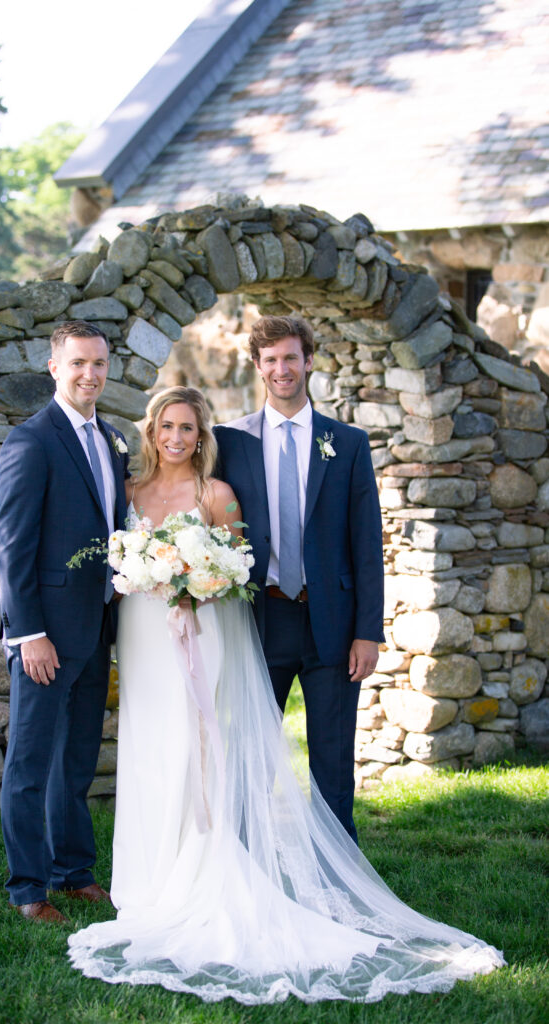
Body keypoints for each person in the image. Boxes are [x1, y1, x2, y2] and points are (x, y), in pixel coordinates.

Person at [67, 385, 503, 1003]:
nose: (176, 437)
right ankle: (144, 880)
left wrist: (195, 577)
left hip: (200, 631)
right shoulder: (130, 495)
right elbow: (115, 564)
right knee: (150, 745)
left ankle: (206, 868)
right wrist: (147, 572)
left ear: (201, 436)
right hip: (142, 637)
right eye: (167, 425)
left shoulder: (215, 494)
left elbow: (238, 563)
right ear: (151, 430)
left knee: (200, 744)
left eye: (188, 428)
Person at [214, 314, 384, 843]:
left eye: (291, 358)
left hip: (331, 620)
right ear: (258, 367)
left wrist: (368, 631)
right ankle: (244, 866)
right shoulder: (230, 441)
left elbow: (366, 543)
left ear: (309, 361)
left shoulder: (347, 443)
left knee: (332, 756)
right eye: (271, 361)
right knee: (250, 751)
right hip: (261, 617)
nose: (282, 369)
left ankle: (341, 878)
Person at [0, 320, 129, 923]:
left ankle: (74, 873)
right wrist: (28, 635)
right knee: (29, 764)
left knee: (77, 761)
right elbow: (12, 547)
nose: (90, 375)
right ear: (54, 367)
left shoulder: (113, 439)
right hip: (44, 637)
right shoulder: (31, 440)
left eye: (99, 363)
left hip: (96, 627)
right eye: (78, 363)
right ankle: (28, 889)